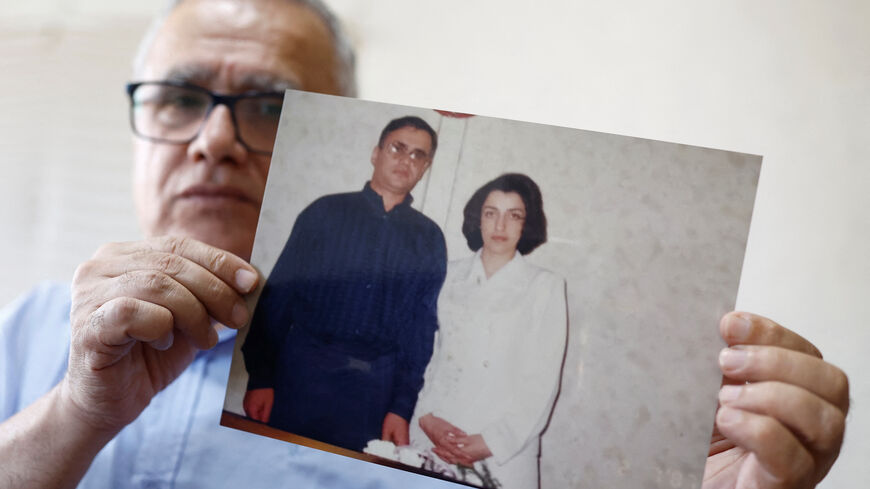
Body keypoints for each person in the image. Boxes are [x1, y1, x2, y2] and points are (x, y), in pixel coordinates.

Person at [0, 0, 849, 488]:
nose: (214, 139)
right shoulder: (29, 332)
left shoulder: (423, 431)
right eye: (179, 98)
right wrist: (74, 412)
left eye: (269, 105)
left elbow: (419, 330)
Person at [240, 115, 447, 452]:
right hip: (302, 376)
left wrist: (401, 407)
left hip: (372, 392)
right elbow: (278, 299)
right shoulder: (324, 212)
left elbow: (420, 329)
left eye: (418, 155)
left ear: (425, 167)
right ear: (376, 152)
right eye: (398, 148)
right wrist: (261, 377)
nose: (406, 160)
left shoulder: (429, 238)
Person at [410, 174, 566, 489]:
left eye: (514, 215)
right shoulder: (446, 276)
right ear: (477, 219)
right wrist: (426, 417)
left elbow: (542, 380)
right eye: (491, 213)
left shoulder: (544, 287)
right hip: (433, 433)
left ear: (527, 223)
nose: (500, 225)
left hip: (502, 451)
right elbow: (420, 353)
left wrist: (490, 442)